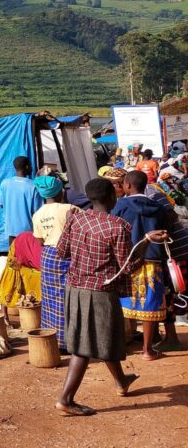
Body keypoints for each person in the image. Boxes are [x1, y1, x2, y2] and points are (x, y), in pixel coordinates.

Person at [54, 178, 157, 416]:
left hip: (75, 288)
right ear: (112, 196)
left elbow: (61, 251)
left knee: (104, 336)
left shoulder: (75, 218)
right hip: (99, 292)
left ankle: (121, 381)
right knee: (84, 345)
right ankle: (66, 399)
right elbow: (128, 266)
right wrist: (146, 242)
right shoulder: (118, 227)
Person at [114, 170, 178, 360]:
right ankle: (147, 350)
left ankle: (121, 345)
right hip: (154, 260)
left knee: (121, 303)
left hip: (128, 260)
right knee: (150, 306)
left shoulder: (120, 206)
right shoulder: (158, 208)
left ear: (127, 185)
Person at [33, 175, 80, 352]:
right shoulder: (71, 208)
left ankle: (56, 340)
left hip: (48, 257)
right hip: (70, 256)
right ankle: (73, 341)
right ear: (61, 191)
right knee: (71, 297)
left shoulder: (38, 214)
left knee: (51, 299)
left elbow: (39, 242)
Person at [0, 232, 42, 325]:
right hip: (18, 248)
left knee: (36, 277)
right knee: (10, 280)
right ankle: (5, 317)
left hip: (30, 257)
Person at [0, 156, 42, 244]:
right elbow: (38, 211)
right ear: (27, 167)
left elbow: (1, 204)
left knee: (13, 255)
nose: (32, 168)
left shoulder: (5, 183)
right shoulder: (33, 186)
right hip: (28, 231)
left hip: (11, 229)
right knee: (26, 256)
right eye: (30, 165)